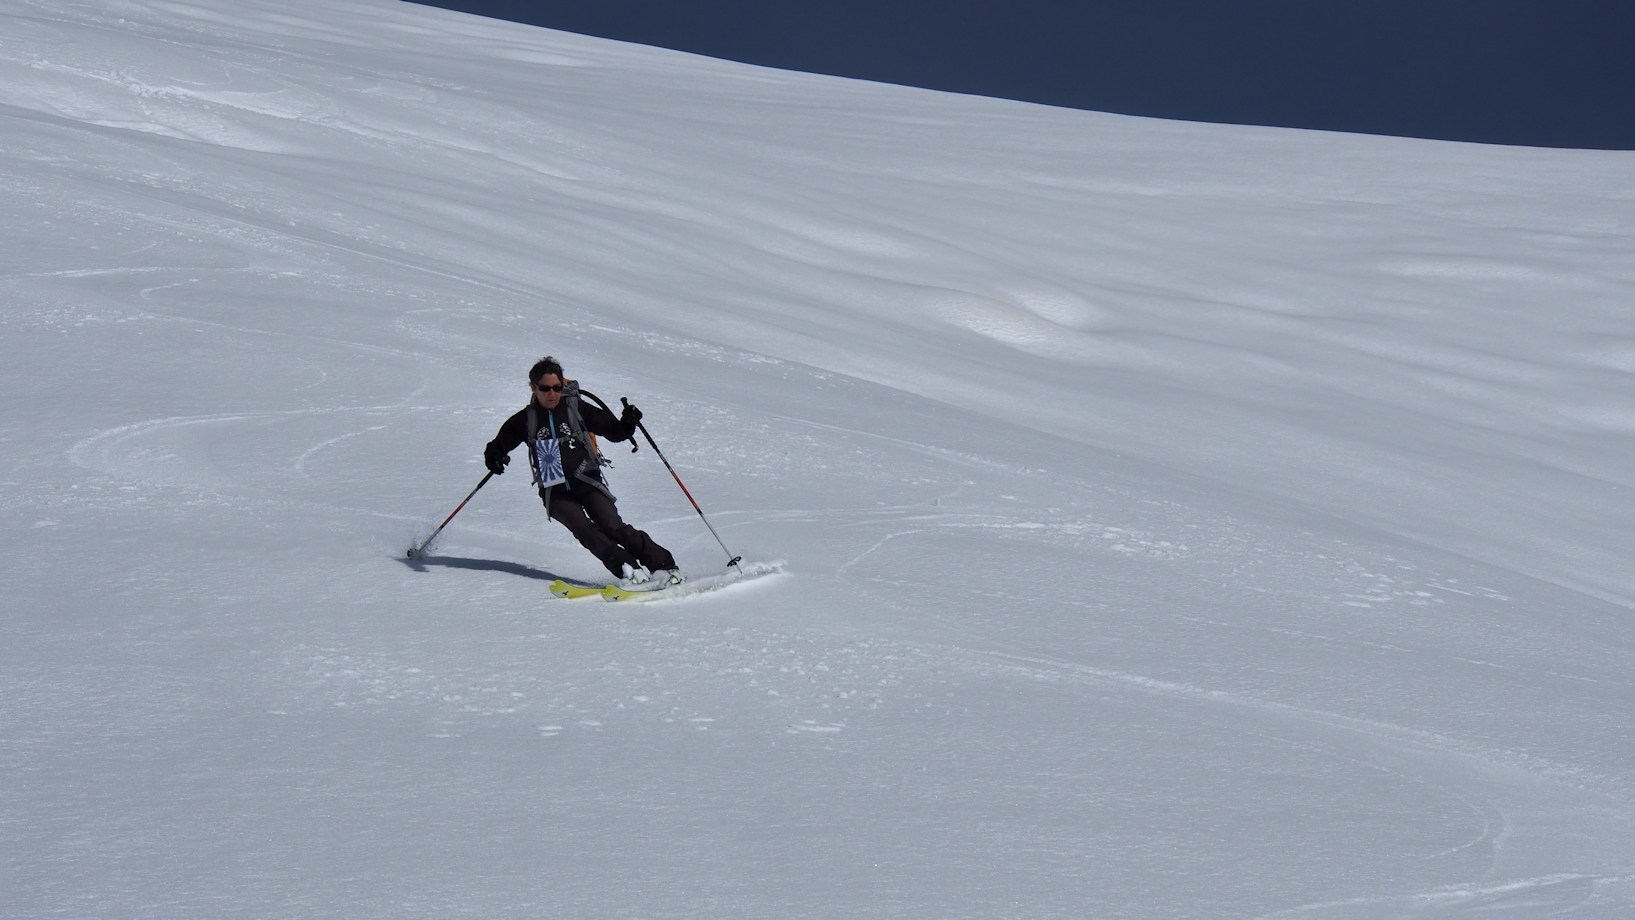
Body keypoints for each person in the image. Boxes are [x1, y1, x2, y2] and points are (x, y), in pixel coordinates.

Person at [483, 356, 681, 586]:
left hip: (586, 479)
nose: (552, 394)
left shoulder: (575, 408)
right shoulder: (525, 420)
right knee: (584, 530)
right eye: (545, 388)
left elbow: (613, 431)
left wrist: (628, 423)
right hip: (554, 491)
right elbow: (499, 444)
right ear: (533, 388)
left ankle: (665, 566)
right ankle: (629, 570)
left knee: (613, 526)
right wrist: (494, 456)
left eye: (557, 388)